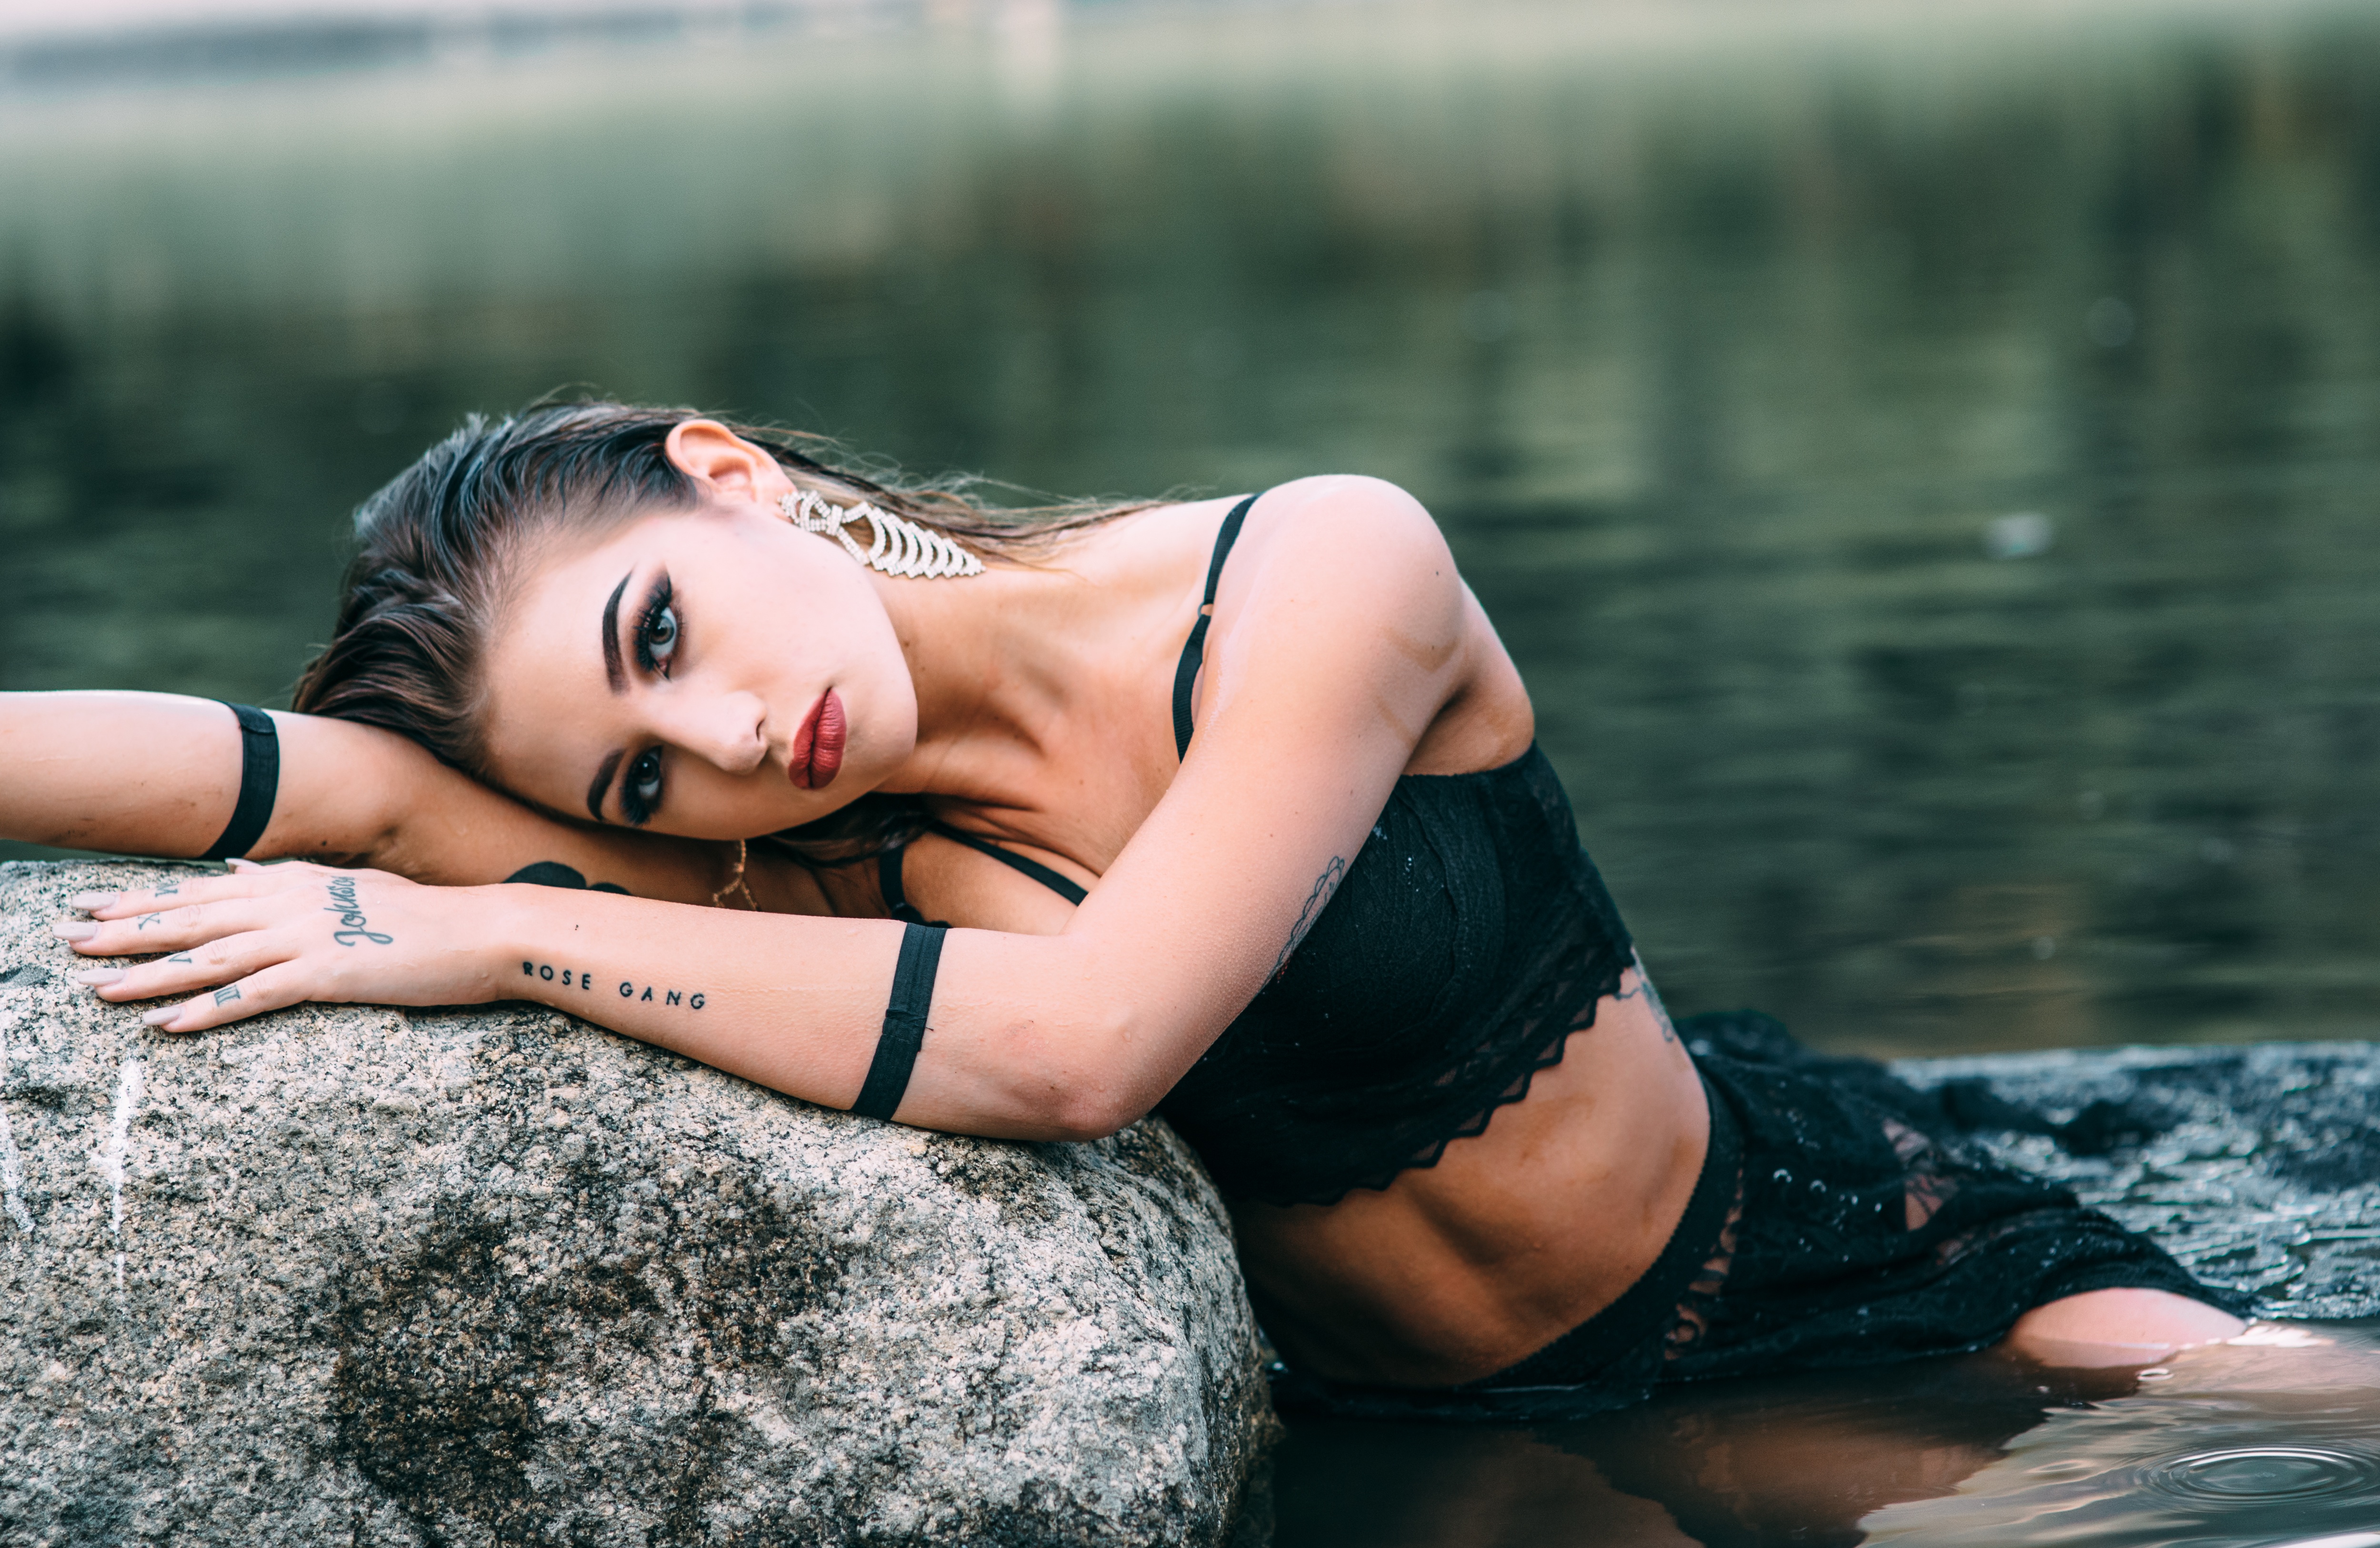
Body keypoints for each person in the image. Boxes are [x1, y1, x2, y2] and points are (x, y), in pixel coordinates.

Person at [3, 401, 2253, 1420]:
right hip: (1429, 1423)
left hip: (1812, 1244)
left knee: (2256, 1437)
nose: (707, 752)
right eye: (630, 781)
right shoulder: (796, 849)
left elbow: (1084, 1045)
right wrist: (445, 873)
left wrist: (504, 936)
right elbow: (296, 789)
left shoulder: (1314, 574)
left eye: (665, 637)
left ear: (728, 472)